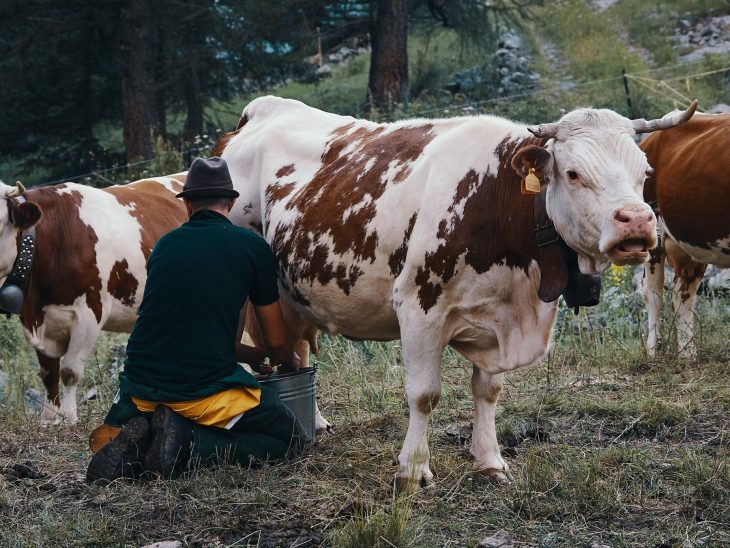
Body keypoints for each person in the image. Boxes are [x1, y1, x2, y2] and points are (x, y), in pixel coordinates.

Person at [86, 156, 306, 484]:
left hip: (137, 387)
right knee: (290, 439)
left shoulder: (164, 246)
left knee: (109, 437)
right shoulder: (252, 247)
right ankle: (189, 445)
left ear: (187, 204)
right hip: (200, 388)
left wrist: (249, 356)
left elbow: (182, 328)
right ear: (231, 202)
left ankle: (143, 442)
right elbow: (275, 341)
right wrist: (287, 360)